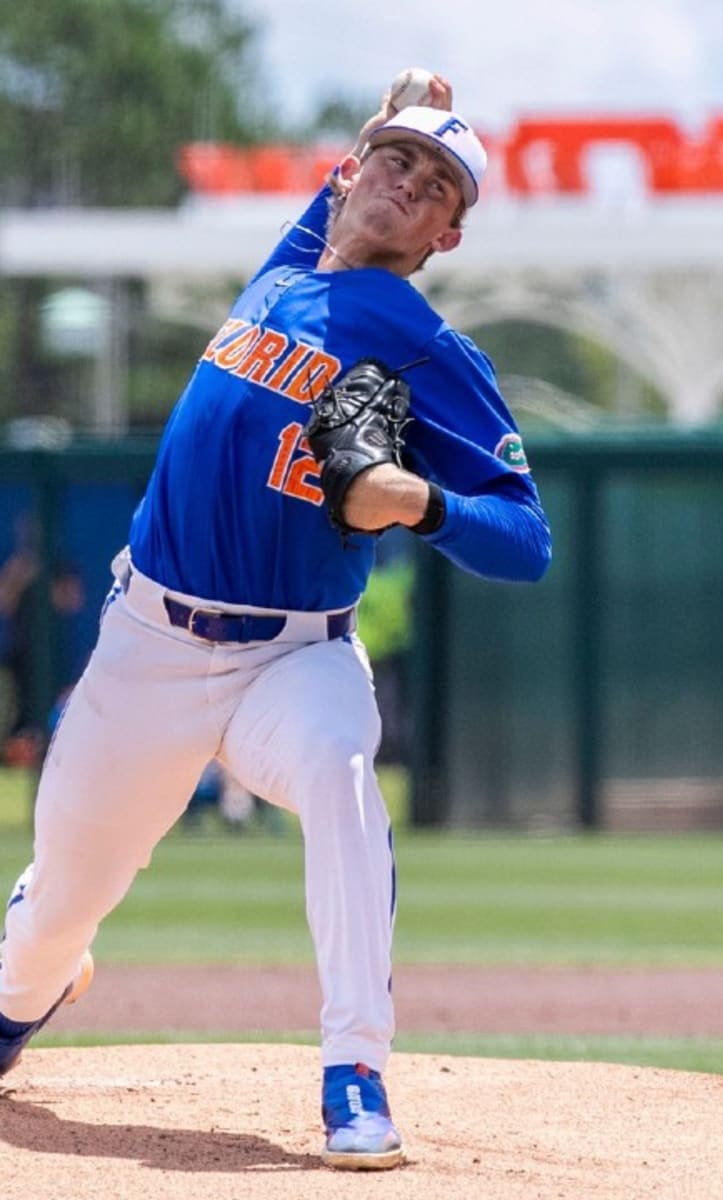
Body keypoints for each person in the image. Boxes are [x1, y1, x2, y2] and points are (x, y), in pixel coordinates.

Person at [0, 74, 551, 1171]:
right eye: (396, 158)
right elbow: (342, 197)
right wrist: (384, 121)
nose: (410, 182)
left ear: (447, 236)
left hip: (295, 655)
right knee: (57, 911)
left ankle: (357, 1072)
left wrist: (426, 502)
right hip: (144, 651)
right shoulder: (291, 266)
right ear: (349, 169)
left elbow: (526, 539)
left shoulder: (431, 349)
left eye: (439, 184)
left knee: (346, 775)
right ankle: (26, 990)